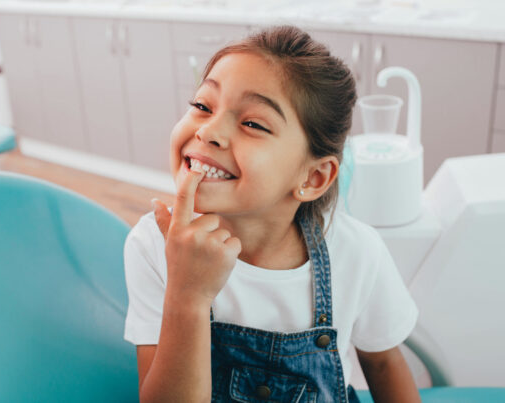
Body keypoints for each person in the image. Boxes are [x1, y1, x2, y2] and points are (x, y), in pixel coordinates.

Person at [123, 25, 420, 403]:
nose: (209, 131)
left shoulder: (358, 251)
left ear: (313, 178)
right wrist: (187, 296)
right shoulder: (153, 245)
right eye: (202, 105)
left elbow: (383, 365)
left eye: (252, 123)